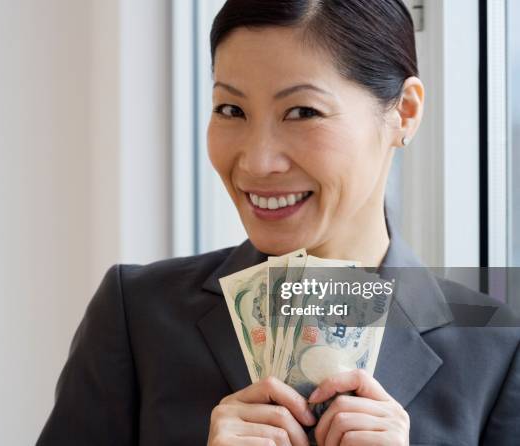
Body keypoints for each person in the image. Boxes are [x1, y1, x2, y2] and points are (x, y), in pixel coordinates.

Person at [36, 1, 520, 444]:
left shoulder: (497, 352)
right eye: (231, 109)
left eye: (302, 111)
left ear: (405, 113)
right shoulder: (137, 316)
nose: (257, 161)